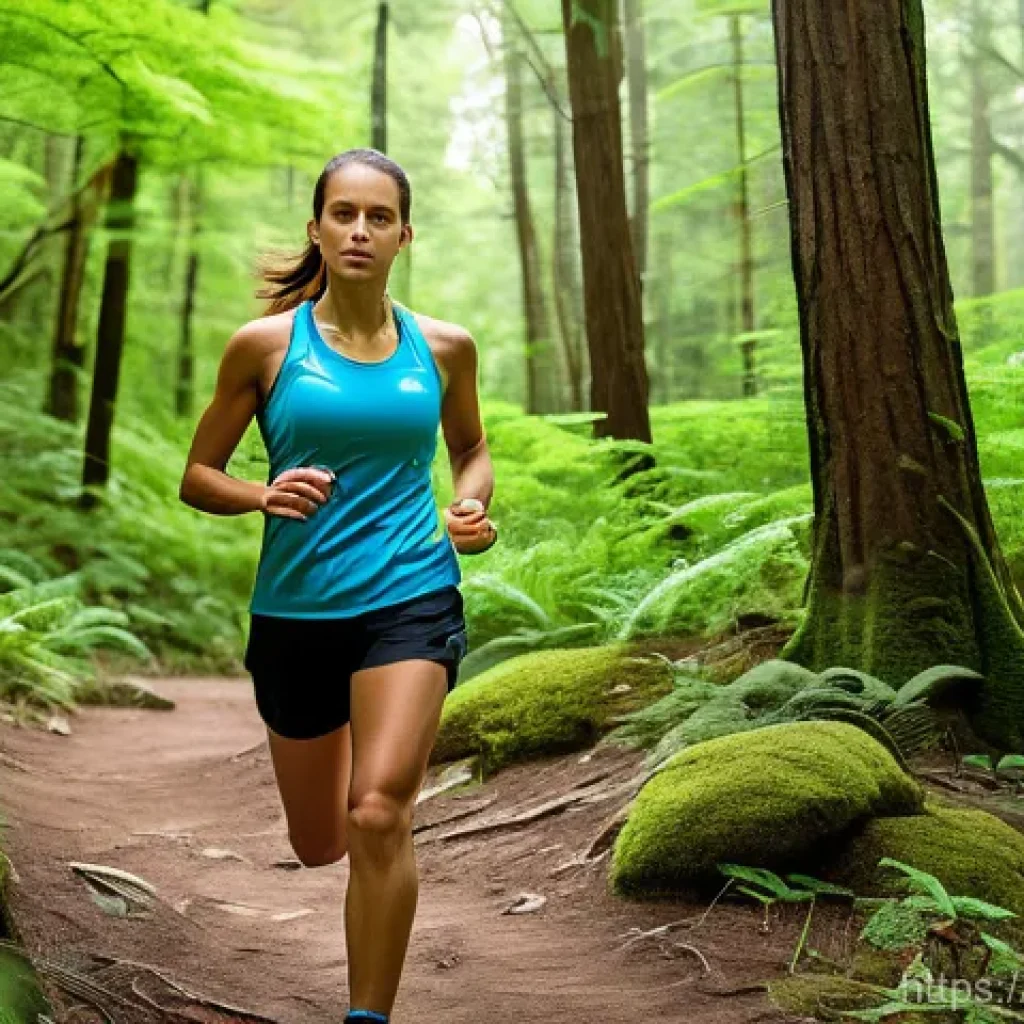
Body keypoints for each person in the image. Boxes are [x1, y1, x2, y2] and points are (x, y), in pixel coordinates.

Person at [179, 148, 497, 1024]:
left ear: (404, 234)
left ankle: (368, 1016)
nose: (360, 230)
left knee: (378, 813)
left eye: (379, 217)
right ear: (317, 228)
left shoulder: (444, 347)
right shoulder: (265, 348)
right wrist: (260, 493)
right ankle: (360, 754)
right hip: (296, 614)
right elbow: (198, 474)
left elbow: (470, 451)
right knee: (319, 841)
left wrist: (468, 508)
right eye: (344, 214)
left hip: (411, 597)